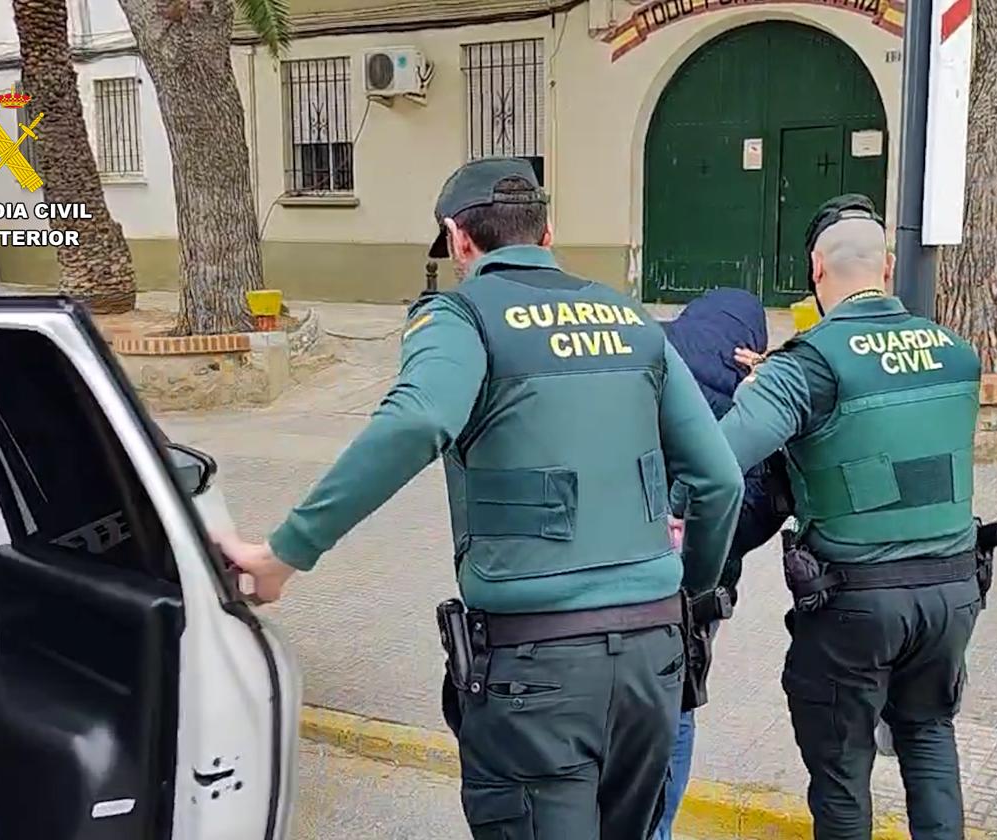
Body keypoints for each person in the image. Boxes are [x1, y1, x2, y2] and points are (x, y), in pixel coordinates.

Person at [215, 157, 746, 839]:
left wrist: (286, 553)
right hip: (654, 662)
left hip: (538, 672)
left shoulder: (459, 315)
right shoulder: (632, 319)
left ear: (458, 238)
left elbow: (415, 420)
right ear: (548, 233)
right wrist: (686, 602)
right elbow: (719, 480)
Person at [698, 194, 984, 840]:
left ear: (816, 272)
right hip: (952, 597)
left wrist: (761, 391)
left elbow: (717, 463)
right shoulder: (956, 353)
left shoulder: (808, 366)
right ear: (886, 268)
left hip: (856, 606)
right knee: (930, 738)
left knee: (842, 778)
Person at [651, 288, 791, 840]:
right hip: (693, 597)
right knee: (677, 710)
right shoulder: (751, 405)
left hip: (613, 583)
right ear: (750, 346)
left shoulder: (648, 357)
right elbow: (752, 512)